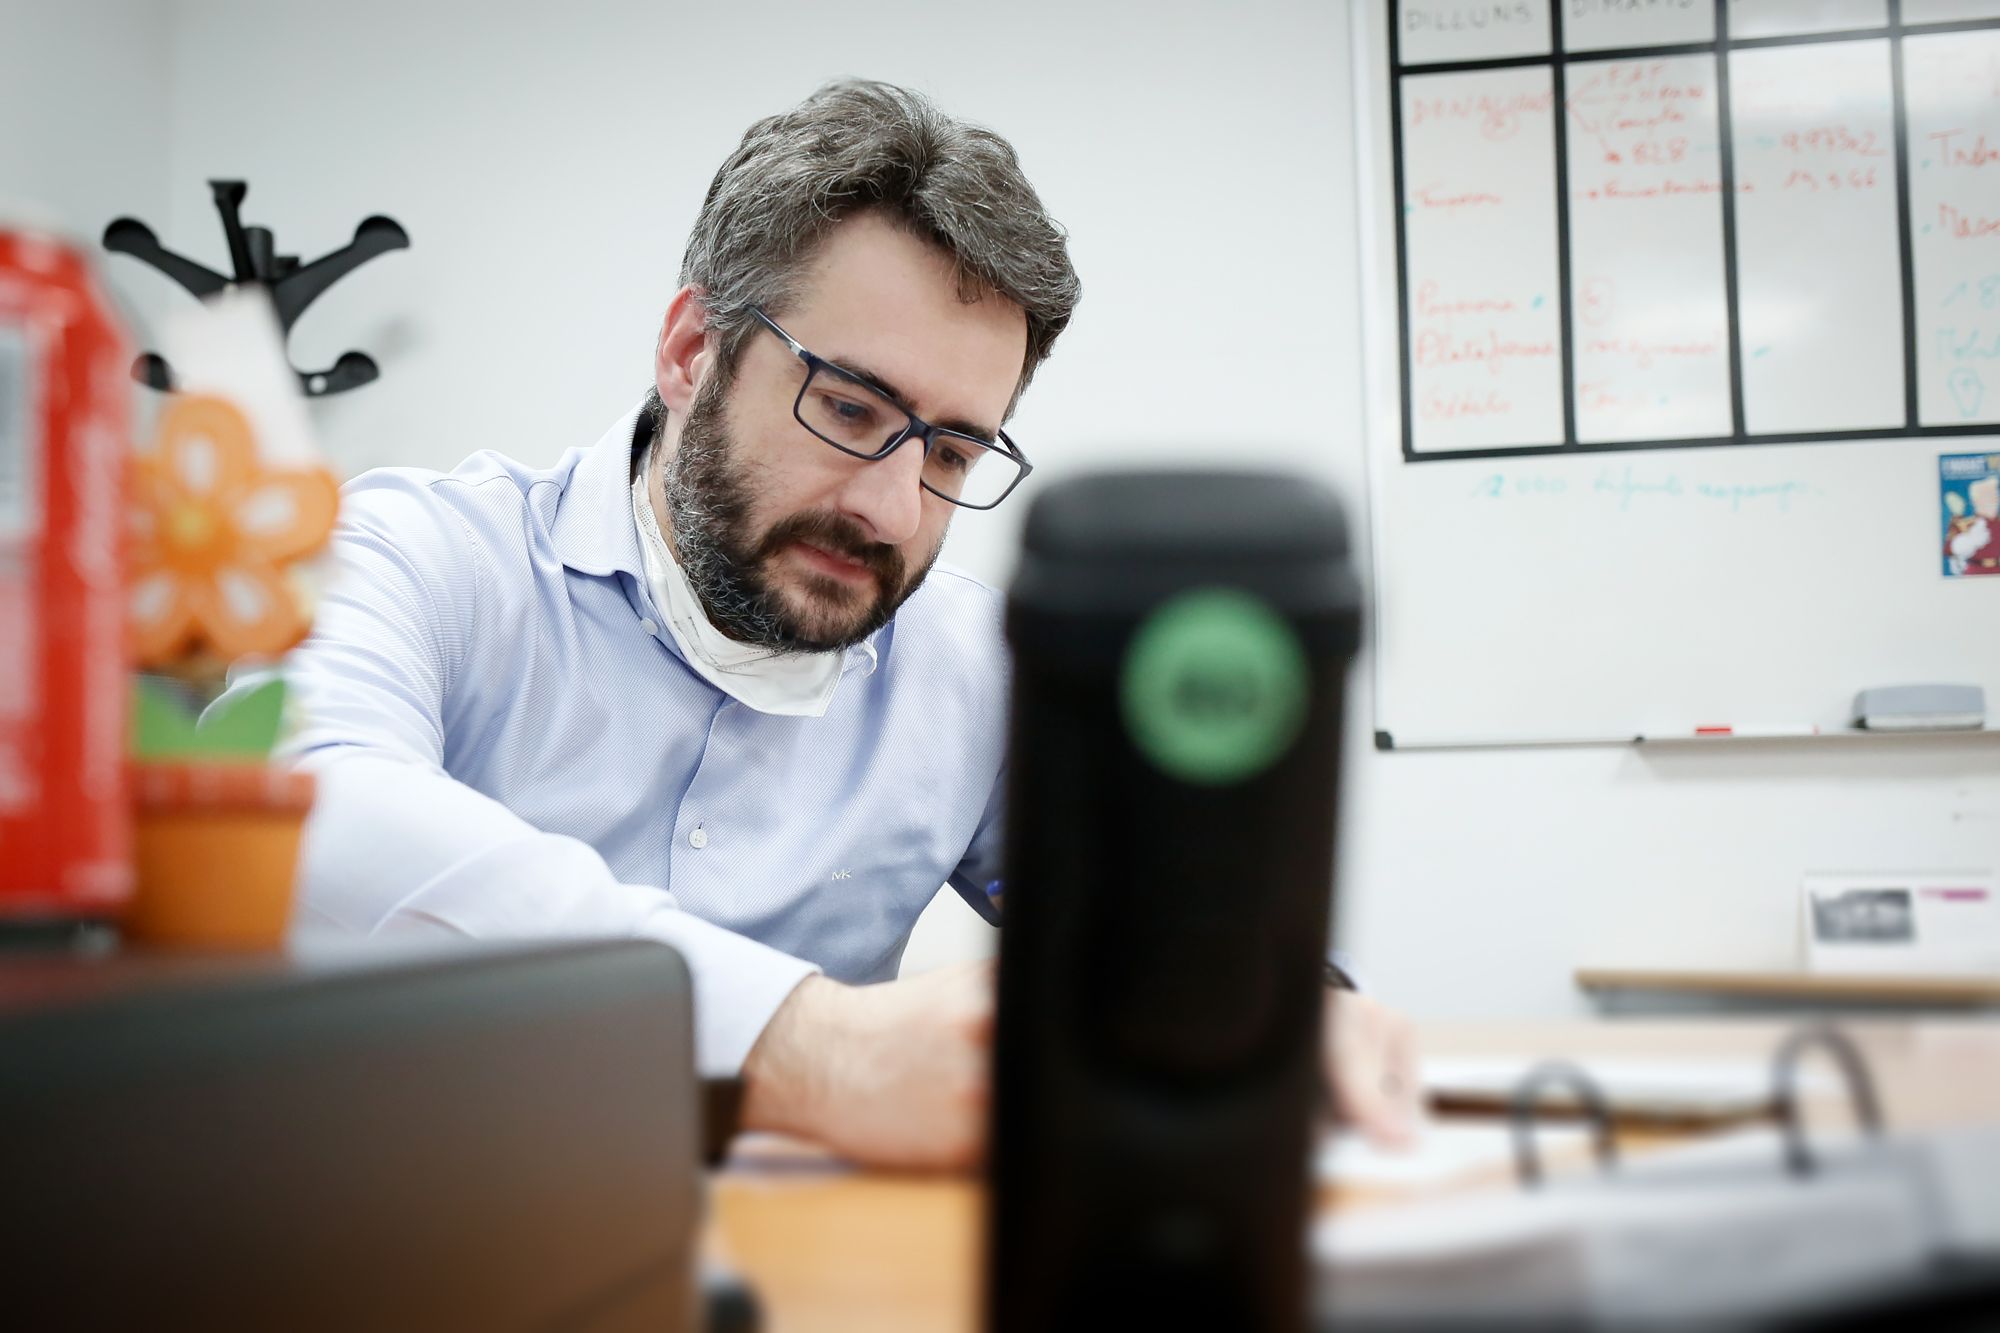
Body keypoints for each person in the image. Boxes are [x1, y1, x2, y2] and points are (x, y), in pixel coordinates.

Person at [237, 80, 1418, 1167]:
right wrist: (800, 1043)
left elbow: (1155, 905)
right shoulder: (421, 553)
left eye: (951, 453)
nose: (890, 509)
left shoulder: (972, 667)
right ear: (690, 352)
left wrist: (1277, 1000)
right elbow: (297, 805)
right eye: (849, 409)